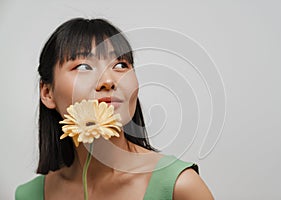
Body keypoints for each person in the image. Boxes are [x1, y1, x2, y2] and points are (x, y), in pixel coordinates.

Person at [15, 18, 214, 200]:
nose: (108, 81)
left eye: (120, 65)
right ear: (47, 92)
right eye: (83, 67)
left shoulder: (180, 186)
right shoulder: (29, 195)